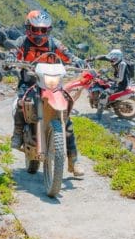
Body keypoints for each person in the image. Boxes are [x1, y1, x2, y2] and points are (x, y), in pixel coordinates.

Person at [11, 10, 84, 177]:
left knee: (66, 117)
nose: (38, 33)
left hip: (52, 84)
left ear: (48, 30)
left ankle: (74, 160)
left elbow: (67, 54)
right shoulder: (22, 42)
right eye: (35, 29)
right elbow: (13, 51)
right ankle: (17, 133)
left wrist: (77, 60)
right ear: (28, 28)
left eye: (43, 30)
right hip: (29, 82)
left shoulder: (54, 44)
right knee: (22, 103)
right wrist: (10, 59)